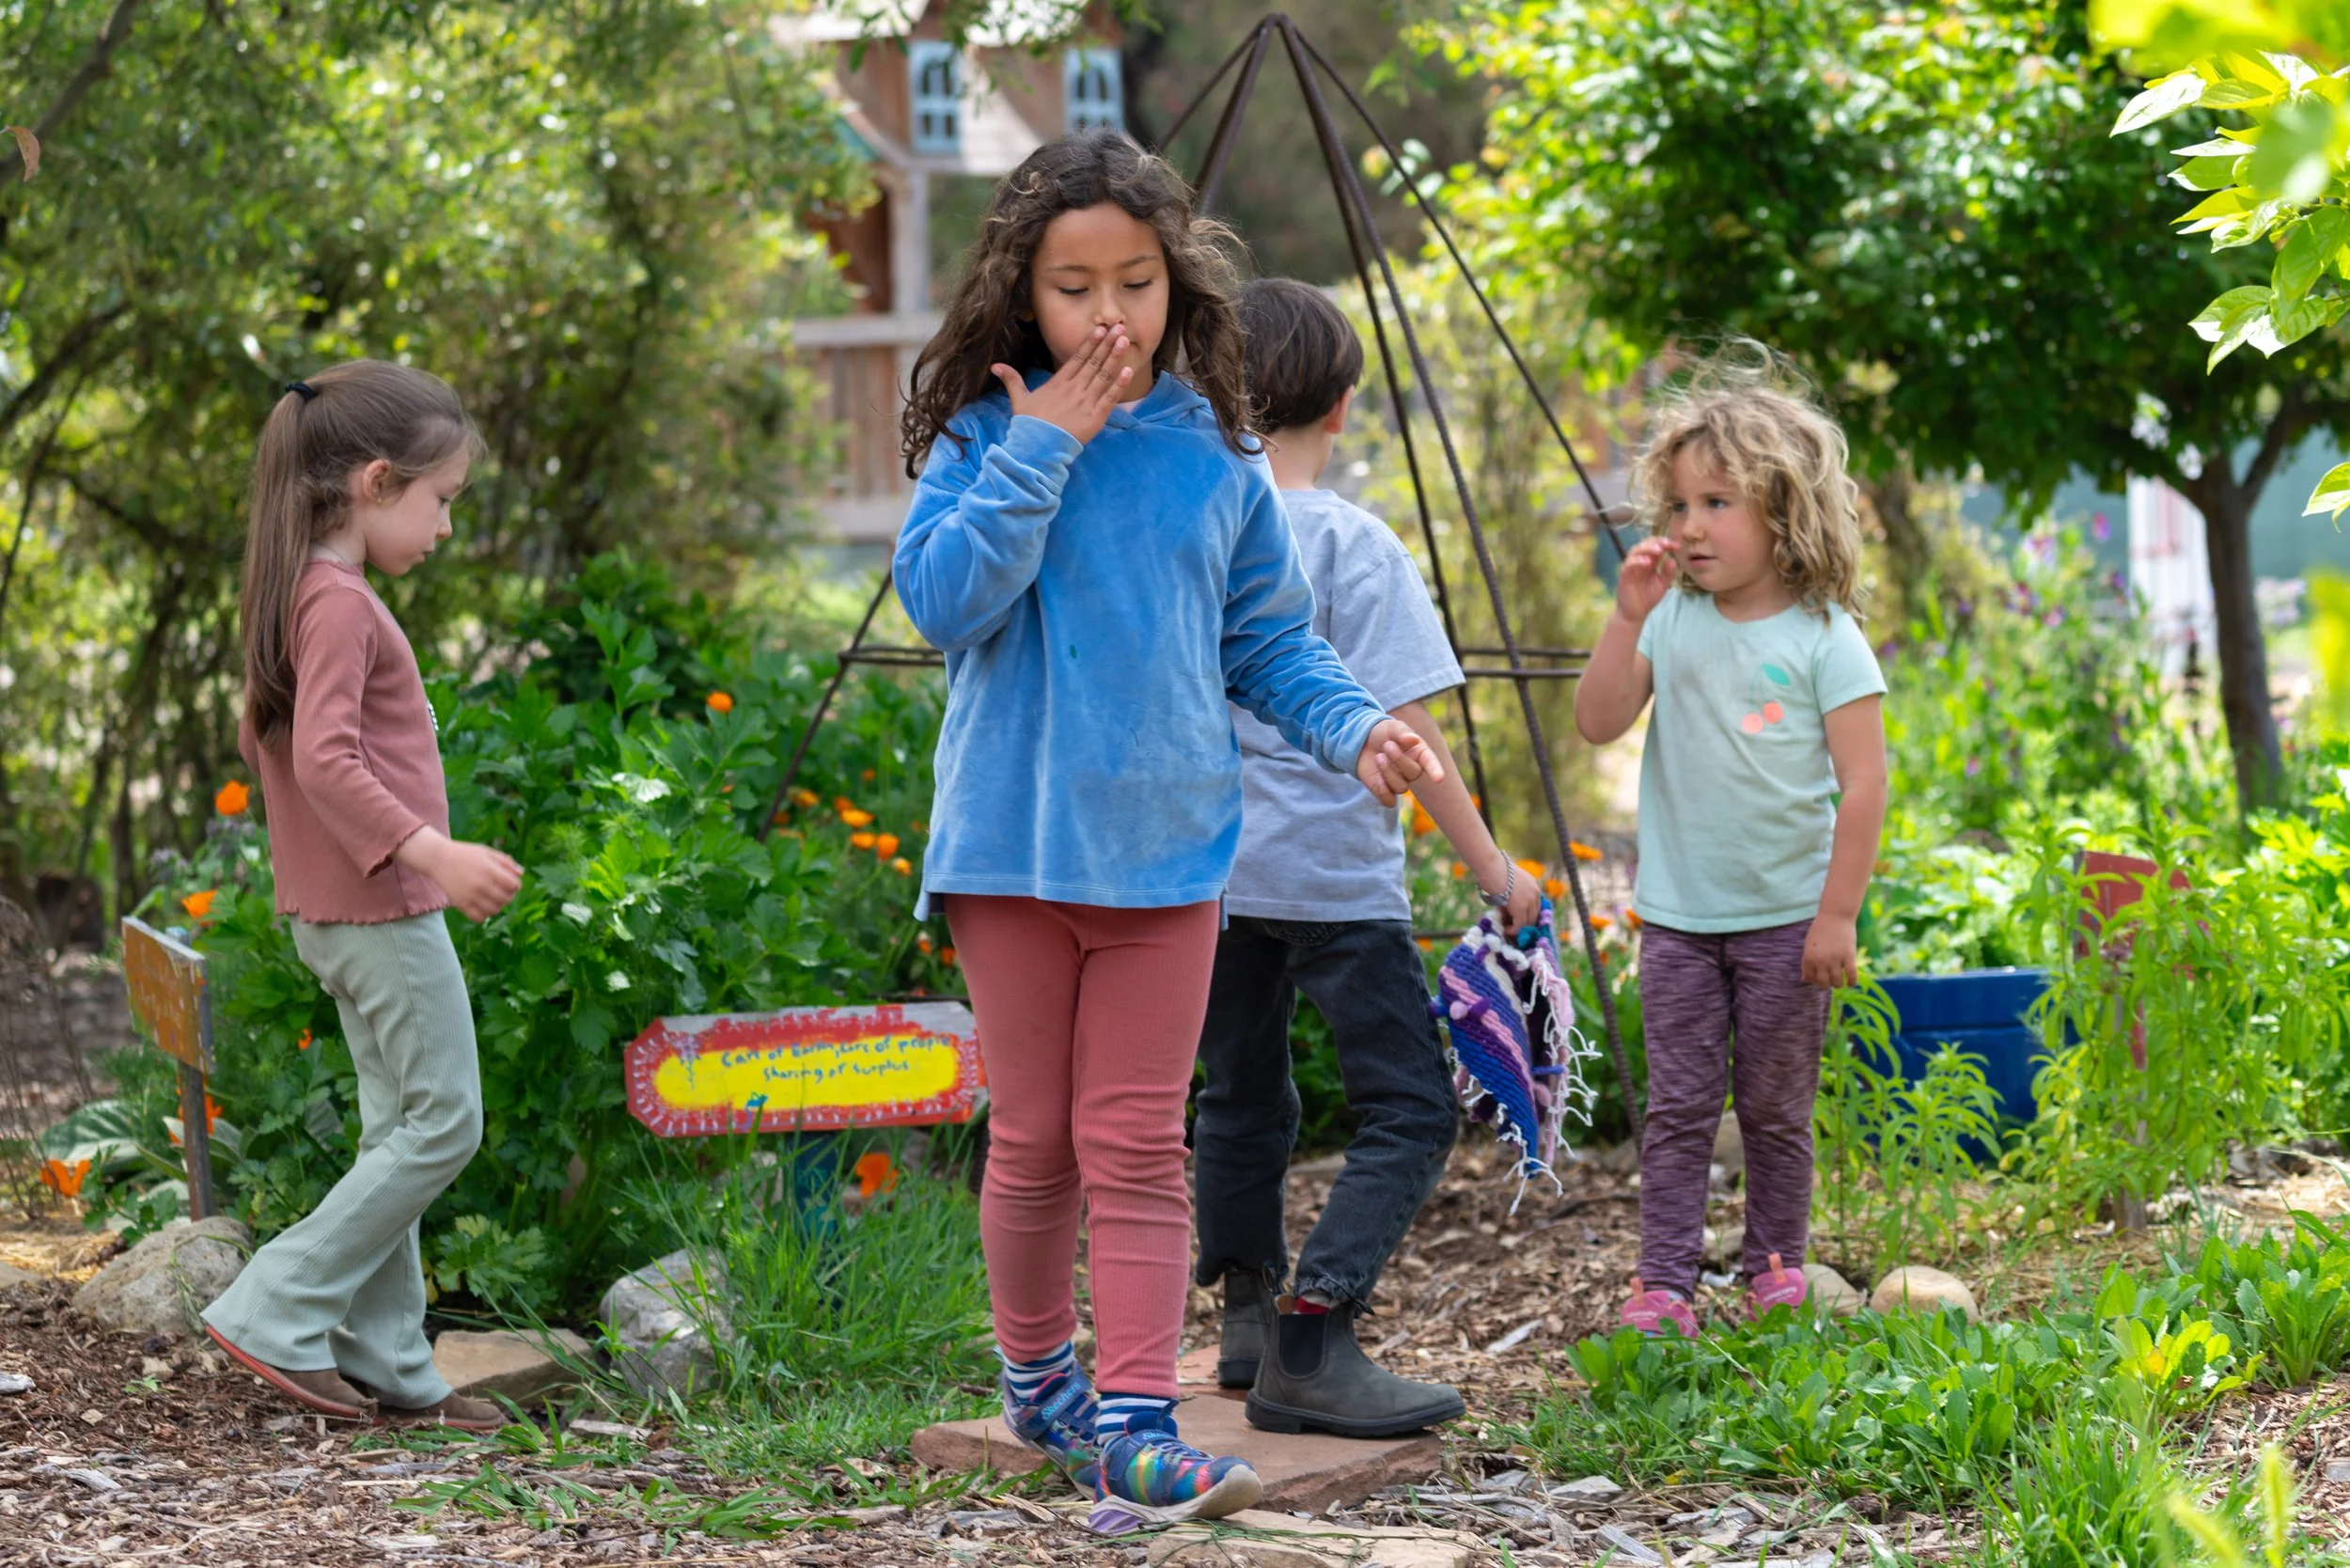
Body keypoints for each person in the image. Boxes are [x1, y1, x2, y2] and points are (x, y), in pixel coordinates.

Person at [894, 133, 1445, 1534]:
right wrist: (1041, 448)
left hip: (1167, 860)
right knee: (1035, 1145)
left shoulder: (1212, 450)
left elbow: (1268, 641)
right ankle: (1039, 1381)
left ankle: (1138, 1421)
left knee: (1138, 1145)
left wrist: (1357, 727)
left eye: (1133, 282)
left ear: (1171, 281)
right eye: (1074, 289)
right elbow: (947, 601)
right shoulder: (984, 434)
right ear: (1026, 295)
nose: (1108, 317)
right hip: (1010, 859)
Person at [1192, 278, 1541, 1438]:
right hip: (1338, 886)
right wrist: (1496, 873)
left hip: (1213, 883)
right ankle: (1312, 1332)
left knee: (1240, 1095)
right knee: (1408, 1111)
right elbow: (1410, 733)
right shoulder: (1350, 540)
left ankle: (1244, 1314)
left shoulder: (1196, 528)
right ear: (1342, 407)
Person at [202, 362, 522, 1430]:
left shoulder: (301, 593)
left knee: (398, 1126)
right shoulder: (338, 602)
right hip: (381, 913)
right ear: (377, 483)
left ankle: (390, 1360)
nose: (443, 528)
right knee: (445, 1125)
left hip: (332, 911)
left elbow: (277, 745)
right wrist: (432, 851)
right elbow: (330, 762)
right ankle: (275, 1308)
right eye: (440, 501)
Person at [1573, 353, 1888, 1338]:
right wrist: (1624, 622)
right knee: (1675, 1110)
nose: (1689, 526)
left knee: (1774, 1112)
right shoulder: (1668, 616)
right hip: (1676, 917)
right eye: (1678, 504)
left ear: (1784, 512)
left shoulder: (1824, 635)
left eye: (1717, 502)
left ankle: (1773, 1273)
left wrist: (1836, 915)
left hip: (1786, 921)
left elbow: (1866, 783)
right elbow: (1596, 722)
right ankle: (1664, 1283)